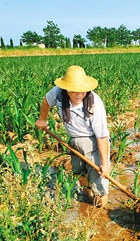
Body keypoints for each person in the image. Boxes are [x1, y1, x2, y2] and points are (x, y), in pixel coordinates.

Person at [35, 65, 110, 207]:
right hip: (74, 141)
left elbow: (102, 137)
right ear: (66, 88)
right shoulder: (58, 93)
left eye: (82, 90)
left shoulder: (95, 104)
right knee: (80, 174)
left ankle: (100, 211)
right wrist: (42, 119)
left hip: (93, 141)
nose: (79, 94)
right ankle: (88, 201)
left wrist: (104, 164)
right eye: (74, 91)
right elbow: (46, 101)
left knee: (99, 180)